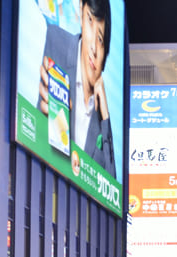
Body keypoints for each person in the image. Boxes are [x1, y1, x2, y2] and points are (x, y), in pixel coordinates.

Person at [37, 0, 117, 178]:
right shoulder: (56, 41)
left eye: (100, 39)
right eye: (89, 20)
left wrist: (105, 116)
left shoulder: (100, 115)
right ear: (81, 12)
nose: (93, 48)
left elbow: (112, 186)